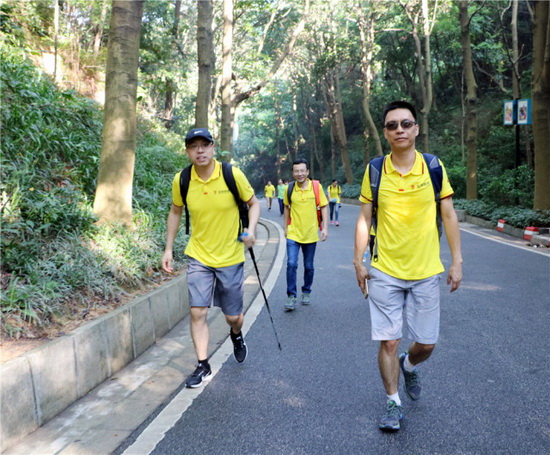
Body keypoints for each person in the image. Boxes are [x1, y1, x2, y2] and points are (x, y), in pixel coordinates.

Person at [353, 101, 462, 432]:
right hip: (384, 269)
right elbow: (365, 218)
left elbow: (448, 214)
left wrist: (456, 261)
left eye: (405, 124)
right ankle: (393, 402)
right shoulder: (375, 170)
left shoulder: (433, 167)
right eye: (392, 125)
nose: (399, 129)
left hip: (426, 270)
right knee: (389, 340)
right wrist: (358, 261)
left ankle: (410, 366)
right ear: (385, 133)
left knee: (426, 344)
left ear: (416, 128)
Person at [161, 128, 260, 389]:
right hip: (199, 255)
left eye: (204, 145)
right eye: (194, 146)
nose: (200, 150)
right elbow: (175, 211)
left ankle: (236, 334)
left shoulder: (231, 174)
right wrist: (168, 248)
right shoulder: (182, 179)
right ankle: (202, 365)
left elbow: (253, 203)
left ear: (213, 147)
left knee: (233, 317)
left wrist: (251, 230)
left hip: (230, 256)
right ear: (187, 151)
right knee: (197, 311)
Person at [283, 158, 329, 311]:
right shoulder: (289, 188)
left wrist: (325, 228)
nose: (299, 174)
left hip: (310, 234)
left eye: (302, 171)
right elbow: (287, 208)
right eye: (296, 171)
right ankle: (291, 296)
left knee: (309, 266)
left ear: (307, 172)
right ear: (293, 173)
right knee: (291, 264)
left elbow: (324, 206)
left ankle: (306, 291)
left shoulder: (316, 187)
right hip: (293, 233)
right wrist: (285, 228)